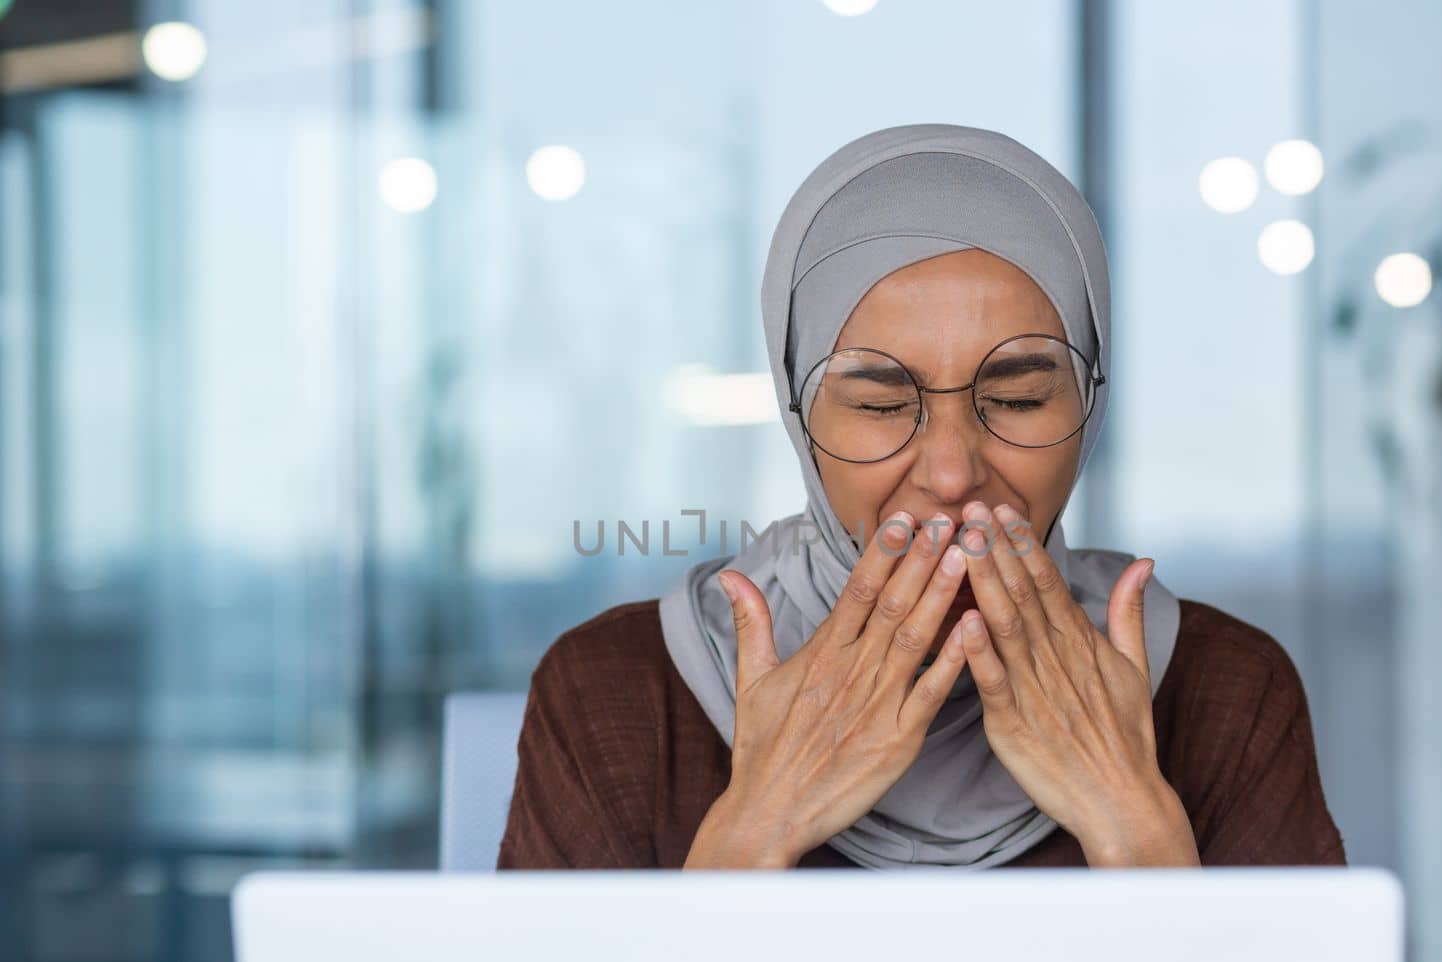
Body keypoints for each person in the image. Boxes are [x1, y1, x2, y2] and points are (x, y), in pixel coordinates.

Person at [497, 123, 1347, 871]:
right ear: (799, 413)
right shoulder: (616, 695)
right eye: (878, 404)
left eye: (1017, 399)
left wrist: (1136, 828)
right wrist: (755, 831)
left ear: (1089, 408)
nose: (950, 472)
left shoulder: (1224, 690)